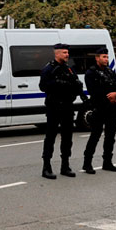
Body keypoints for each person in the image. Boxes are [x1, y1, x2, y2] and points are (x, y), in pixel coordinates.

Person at [38, 43, 84, 179]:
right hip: (54, 107)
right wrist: (60, 85)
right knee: (51, 137)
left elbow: (77, 85)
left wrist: (73, 87)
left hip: (68, 107)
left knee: (67, 138)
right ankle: (46, 167)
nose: (67, 55)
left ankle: (65, 165)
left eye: (67, 53)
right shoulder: (49, 69)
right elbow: (43, 87)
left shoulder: (69, 69)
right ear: (56, 53)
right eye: (64, 53)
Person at [81, 47, 116, 174]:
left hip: (112, 110)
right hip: (99, 108)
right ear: (97, 58)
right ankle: (87, 163)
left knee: (110, 137)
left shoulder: (110, 71)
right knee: (95, 136)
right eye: (103, 57)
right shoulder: (91, 73)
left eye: (107, 57)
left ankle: (107, 162)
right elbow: (95, 91)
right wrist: (109, 97)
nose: (106, 59)